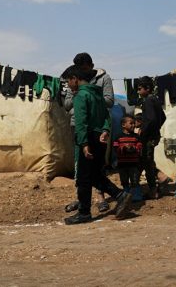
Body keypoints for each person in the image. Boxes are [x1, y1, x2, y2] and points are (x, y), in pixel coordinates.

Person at [62, 65, 132, 224]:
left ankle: (84, 212)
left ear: (75, 78)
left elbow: (80, 122)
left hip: (88, 138)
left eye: (68, 81)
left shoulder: (80, 96)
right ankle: (120, 195)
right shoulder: (98, 93)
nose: (68, 85)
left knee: (83, 177)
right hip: (101, 138)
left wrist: (84, 144)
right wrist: (106, 130)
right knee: (94, 175)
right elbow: (107, 116)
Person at [63, 52, 114, 213]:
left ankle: (100, 197)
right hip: (78, 124)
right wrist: (80, 95)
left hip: (96, 126)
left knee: (95, 165)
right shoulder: (75, 84)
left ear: (91, 66)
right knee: (81, 164)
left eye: (84, 69)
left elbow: (109, 101)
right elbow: (67, 104)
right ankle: (82, 199)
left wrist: (90, 96)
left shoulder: (103, 79)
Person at [137, 76, 167, 199]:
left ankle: (154, 189)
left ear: (147, 88)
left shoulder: (148, 101)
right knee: (146, 160)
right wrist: (156, 130)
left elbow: (151, 119)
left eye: (140, 89)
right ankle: (159, 178)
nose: (138, 92)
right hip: (153, 136)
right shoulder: (155, 99)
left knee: (147, 162)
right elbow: (163, 117)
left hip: (148, 138)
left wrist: (142, 131)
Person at [113, 115, 143, 196]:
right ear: (123, 125)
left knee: (135, 180)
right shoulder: (118, 137)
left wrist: (133, 148)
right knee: (124, 181)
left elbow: (139, 147)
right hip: (122, 164)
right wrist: (123, 148)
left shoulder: (136, 137)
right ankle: (126, 195)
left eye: (134, 123)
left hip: (134, 164)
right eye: (131, 123)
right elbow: (115, 148)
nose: (133, 125)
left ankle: (136, 195)